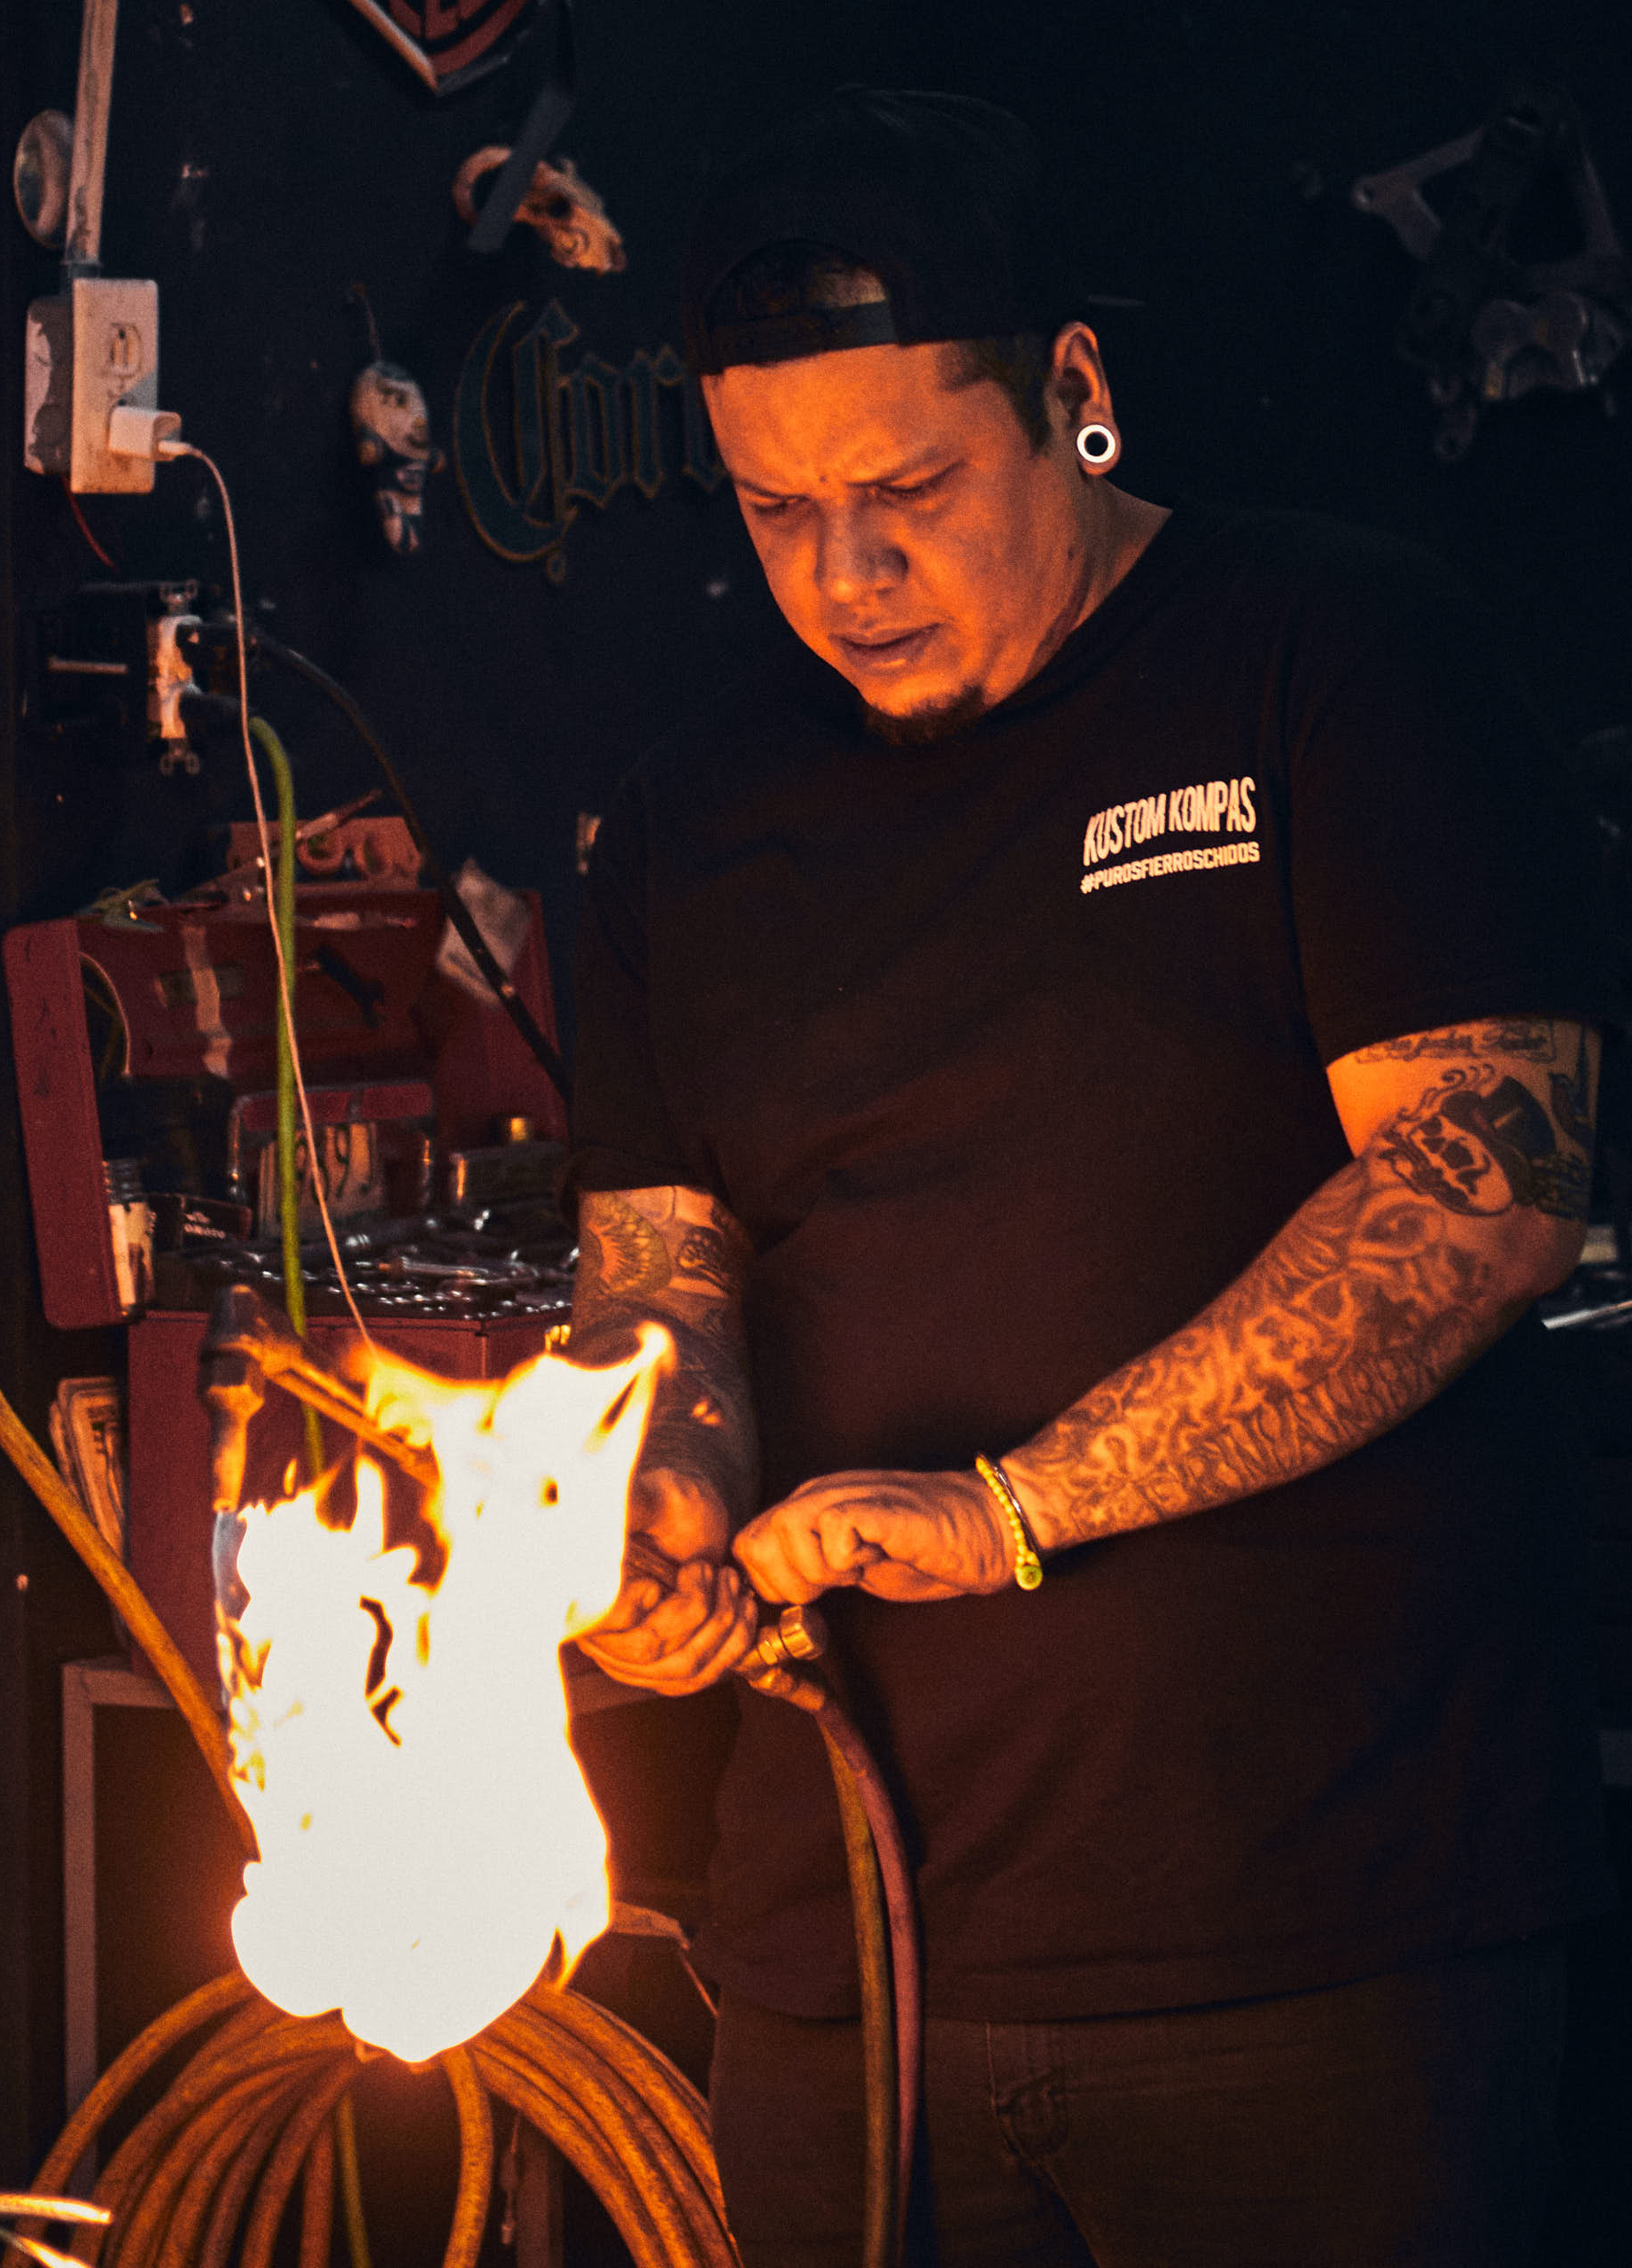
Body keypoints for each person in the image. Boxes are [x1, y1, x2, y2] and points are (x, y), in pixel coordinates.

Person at [563, 87, 1618, 2268]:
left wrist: (1017, 1503)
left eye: (908, 492)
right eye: (774, 511)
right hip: (849, 1971)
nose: (844, 578)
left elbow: (1480, 1191)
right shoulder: (681, 817)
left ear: (1071, 392)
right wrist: (652, 1487)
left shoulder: (1332, 656)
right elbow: (659, 1276)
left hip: (1312, 1948)